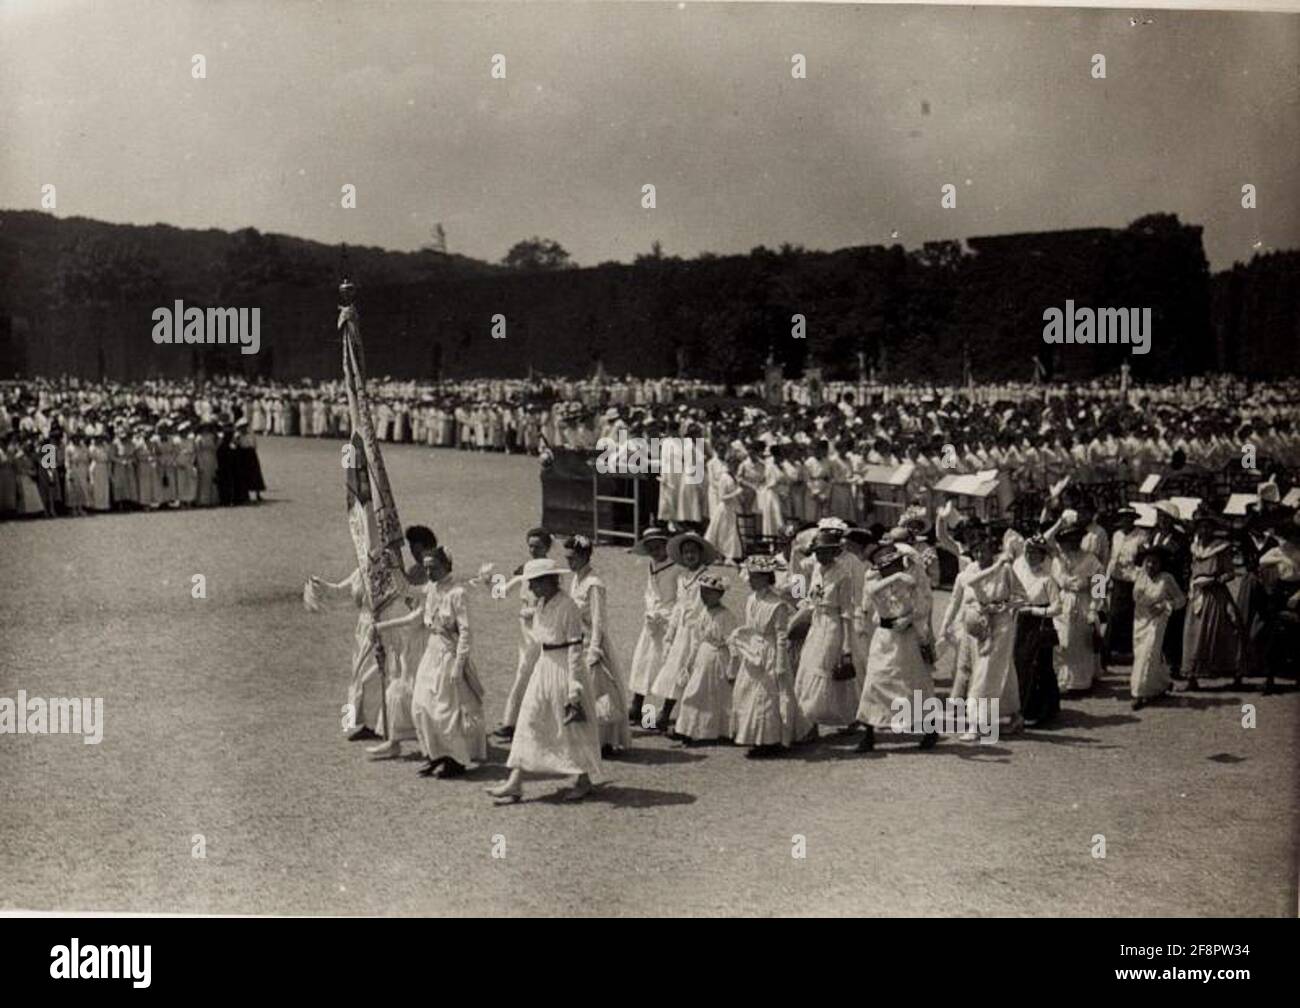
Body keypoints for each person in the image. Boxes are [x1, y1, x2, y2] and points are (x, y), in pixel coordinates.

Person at [487, 558, 603, 803]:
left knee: (569, 725)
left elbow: (574, 645)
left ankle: (583, 779)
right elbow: (539, 634)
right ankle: (515, 782)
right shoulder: (541, 603)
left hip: (563, 669)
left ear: (550, 581)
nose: (532, 589)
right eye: (531, 583)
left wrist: (574, 684)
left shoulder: (568, 606)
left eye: (537, 583)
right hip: (543, 666)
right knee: (528, 719)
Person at [374, 546, 486, 778]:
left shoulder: (458, 593)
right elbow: (406, 589)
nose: (429, 572)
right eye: (426, 568)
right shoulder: (431, 588)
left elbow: (466, 631)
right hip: (431, 652)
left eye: (433, 567)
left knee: (445, 710)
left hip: (448, 654)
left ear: (446, 565)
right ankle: (433, 754)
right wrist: (395, 565)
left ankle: (455, 759)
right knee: (421, 706)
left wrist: (459, 665)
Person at [856, 545, 940, 751]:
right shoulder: (874, 580)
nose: (889, 569)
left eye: (893, 566)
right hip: (884, 638)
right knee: (874, 682)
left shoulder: (911, 581)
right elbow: (871, 592)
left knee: (914, 683)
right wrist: (895, 578)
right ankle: (868, 733)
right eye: (884, 567)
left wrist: (908, 618)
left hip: (907, 637)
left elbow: (923, 606)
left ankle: (930, 729)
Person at [729, 554, 808, 757]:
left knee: (768, 694)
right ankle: (754, 735)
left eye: (757, 577)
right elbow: (750, 624)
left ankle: (771, 739)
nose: (752, 581)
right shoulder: (751, 599)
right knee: (748, 692)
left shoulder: (777, 604)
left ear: (767, 578)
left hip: (771, 650)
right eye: (751, 576)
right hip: (754, 648)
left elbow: (782, 635)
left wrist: (781, 662)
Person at [565, 534, 630, 757]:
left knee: (598, 693)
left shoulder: (594, 584)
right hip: (576, 641)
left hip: (593, 644)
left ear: (584, 556)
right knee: (579, 692)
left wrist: (594, 651)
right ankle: (584, 739)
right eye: (567, 558)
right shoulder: (576, 579)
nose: (569, 562)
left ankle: (602, 741)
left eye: (572, 558)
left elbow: (599, 622)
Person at [793, 528, 861, 738]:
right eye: (818, 552)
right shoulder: (816, 570)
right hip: (817, 623)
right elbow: (803, 587)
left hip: (833, 626)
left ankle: (849, 716)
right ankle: (810, 722)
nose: (821, 556)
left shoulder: (843, 575)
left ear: (835, 552)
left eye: (826, 551)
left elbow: (847, 612)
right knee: (807, 667)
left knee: (826, 671)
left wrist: (847, 644)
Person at [651, 531, 719, 731]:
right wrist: (671, 632)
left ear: (701, 554)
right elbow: (679, 606)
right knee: (674, 671)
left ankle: (691, 718)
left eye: (693, 552)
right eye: (686, 552)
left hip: (698, 630)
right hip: (682, 631)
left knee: (693, 673)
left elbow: (706, 606)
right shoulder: (682, 577)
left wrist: (700, 627)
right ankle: (665, 712)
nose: (690, 556)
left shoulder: (706, 576)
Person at [495, 527, 553, 741]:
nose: (532, 550)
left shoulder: (551, 571)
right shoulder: (525, 569)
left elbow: (552, 602)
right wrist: (490, 579)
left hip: (541, 631)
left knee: (532, 675)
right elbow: (501, 592)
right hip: (524, 634)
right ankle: (516, 721)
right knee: (525, 674)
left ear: (547, 547)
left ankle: (519, 722)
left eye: (537, 546)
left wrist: (533, 610)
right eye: (530, 546)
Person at [672, 571, 738, 743]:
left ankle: (718, 730)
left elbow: (733, 642)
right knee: (693, 692)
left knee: (717, 696)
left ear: (720, 594)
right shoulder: (704, 613)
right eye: (702, 592)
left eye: (710, 593)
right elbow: (696, 639)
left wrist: (733, 666)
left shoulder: (726, 616)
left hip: (718, 659)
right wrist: (689, 662)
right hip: (703, 657)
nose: (705, 597)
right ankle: (686, 728)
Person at [1181, 511, 1242, 690]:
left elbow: (1230, 573)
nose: (1204, 530)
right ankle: (1192, 678)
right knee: (1192, 634)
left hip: (1215, 595)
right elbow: (1193, 569)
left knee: (1224, 631)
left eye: (1208, 527)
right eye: (1201, 527)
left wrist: (1215, 580)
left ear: (1213, 530)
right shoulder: (1194, 547)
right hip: (1197, 594)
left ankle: (1234, 673)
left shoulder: (1221, 548)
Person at [1046, 511, 1104, 694]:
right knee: (1062, 641)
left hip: (1083, 603)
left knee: (1080, 643)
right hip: (1063, 603)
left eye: (1075, 538)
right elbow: (1045, 540)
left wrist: (1095, 609)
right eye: (1067, 539)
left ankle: (1081, 682)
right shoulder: (1059, 560)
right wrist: (1058, 522)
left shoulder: (1091, 560)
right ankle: (1063, 680)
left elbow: (1099, 587)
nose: (1071, 543)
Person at [1009, 534, 1062, 727]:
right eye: (1029, 552)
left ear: (1044, 556)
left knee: (1041, 665)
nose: (1031, 556)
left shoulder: (1049, 577)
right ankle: (1025, 707)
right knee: (1022, 664)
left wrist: (1096, 605)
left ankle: (1047, 708)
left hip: (1043, 620)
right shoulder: (1019, 571)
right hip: (1022, 622)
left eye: (1036, 553)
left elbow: (1100, 575)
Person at [627, 526, 677, 725]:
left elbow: (680, 598)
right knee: (645, 665)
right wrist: (650, 611)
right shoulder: (651, 566)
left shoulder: (677, 568)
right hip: (652, 622)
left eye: (659, 547)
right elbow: (649, 593)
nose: (655, 552)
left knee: (668, 668)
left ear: (667, 546)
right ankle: (639, 709)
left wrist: (666, 616)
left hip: (669, 623)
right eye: (651, 549)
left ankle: (664, 713)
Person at [1129, 544, 1186, 709]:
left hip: (1157, 621)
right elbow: (1111, 570)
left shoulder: (1166, 579)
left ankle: (1138, 693)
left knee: (1147, 654)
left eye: (1154, 562)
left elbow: (1181, 600)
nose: (1150, 566)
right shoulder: (1138, 575)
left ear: (1161, 564)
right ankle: (1161, 684)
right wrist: (1099, 598)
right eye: (1148, 562)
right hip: (1139, 621)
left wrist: (1165, 605)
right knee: (1142, 654)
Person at [1104, 507, 1147, 661]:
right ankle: (1108, 652)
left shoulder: (1141, 536)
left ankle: (1129, 651)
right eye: (1123, 518)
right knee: (1113, 614)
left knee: (1131, 615)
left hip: (1133, 580)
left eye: (1129, 518)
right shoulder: (1116, 535)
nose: (1125, 521)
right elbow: (1111, 558)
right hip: (1117, 579)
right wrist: (1106, 579)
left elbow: (1143, 560)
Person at [704, 453, 745, 564]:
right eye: (733, 464)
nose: (735, 467)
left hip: (732, 509)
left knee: (730, 533)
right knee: (723, 532)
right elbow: (722, 497)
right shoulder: (724, 477)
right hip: (725, 508)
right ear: (728, 464)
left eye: (737, 465)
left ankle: (729, 556)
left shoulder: (734, 477)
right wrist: (736, 493)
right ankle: (721, 555)